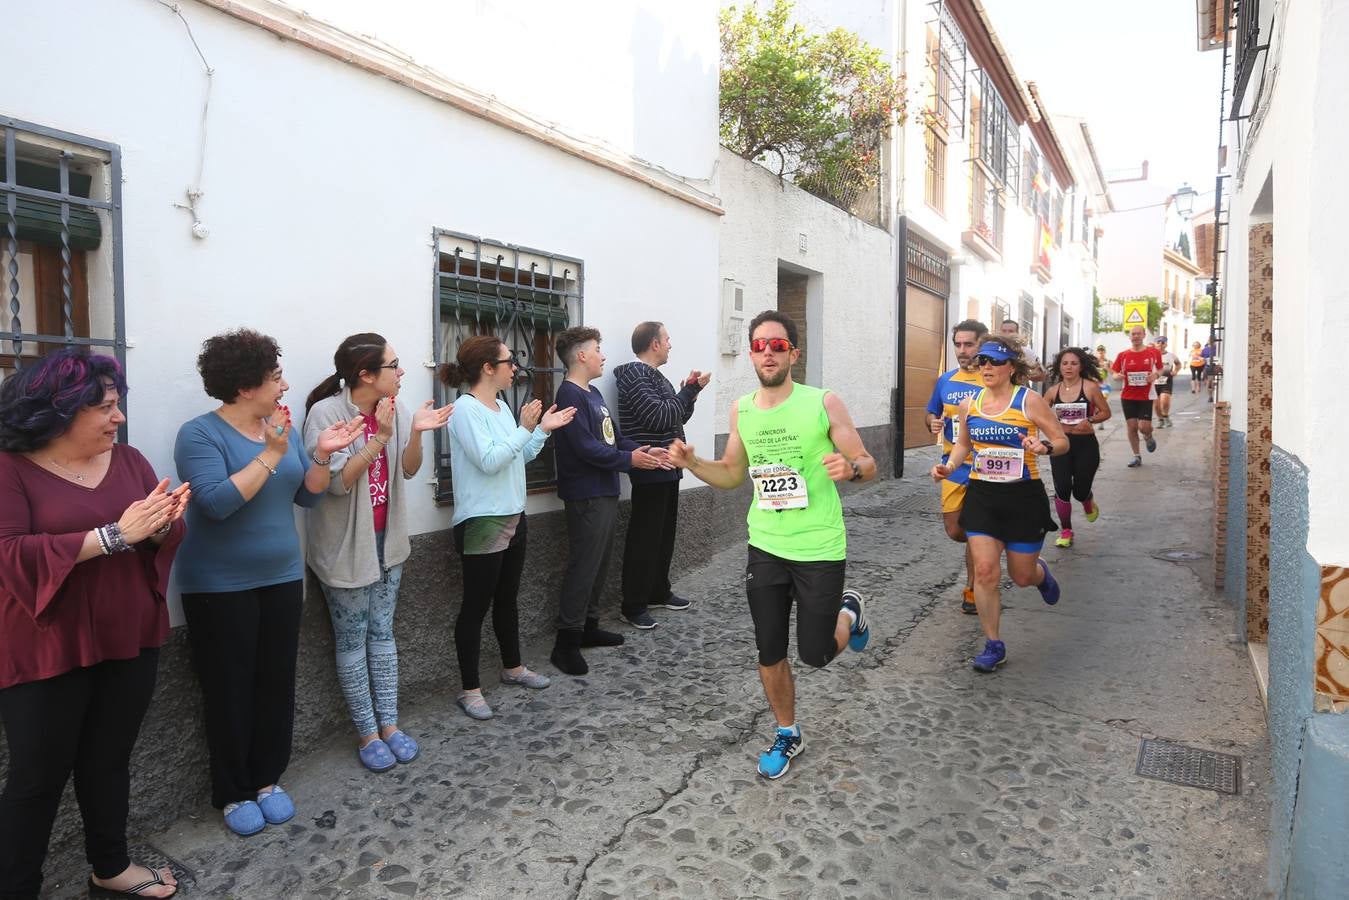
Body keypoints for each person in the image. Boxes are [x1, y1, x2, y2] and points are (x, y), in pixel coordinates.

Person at [0, 349, 189, 900]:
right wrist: (114, 535)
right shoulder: (11, 469)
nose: (119, 418)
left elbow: (153, 538)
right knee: (36, 781)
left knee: (109, 761)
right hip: (44, 645)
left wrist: (159, 526)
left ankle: (111, 866)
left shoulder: (129, 462)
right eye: (106, 407)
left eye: (117, 404)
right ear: (59, 411)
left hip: (126, 634)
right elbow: (9, 554)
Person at [668, 310, 875, 780]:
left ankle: (850, 612)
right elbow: (732, 474)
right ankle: (787, 732)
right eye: (759, 344)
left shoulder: (824, 402)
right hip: (765, 543)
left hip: (819, 545)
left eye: (777, 345)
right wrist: (692, 462)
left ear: (794, 354)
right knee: (769, 648)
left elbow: (866, 459)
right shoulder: (741, 409)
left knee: (816, 654)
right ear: (750, 352)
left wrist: (854, 468)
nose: (767, 352)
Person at [175, 328, 362, 837]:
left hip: (282, 576)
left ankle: (267, 780)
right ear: (243, 386)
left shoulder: (280, 430)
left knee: (275, 681)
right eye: (275, 376)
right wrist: (274, 454)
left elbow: (308, 497)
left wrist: (320, 453)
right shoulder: (200, 434)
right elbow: (214, 504)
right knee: (228, 689)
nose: (284, 385)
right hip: (219, 585)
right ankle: (233, 790)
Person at [303, 334, 453, 767]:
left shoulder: (397, 408)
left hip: (389, 543)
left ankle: (390, 723)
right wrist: (379, 437)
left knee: (383, 633)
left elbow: (408, 471)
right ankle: (368, 734)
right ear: (366, 375)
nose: (402, 372)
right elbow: (336, 483)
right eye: (394, 364)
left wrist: (415, 434)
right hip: (345, 548)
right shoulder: (326, 414)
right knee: (352, 638)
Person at [440, 336, 574, 719]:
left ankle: (513, 667)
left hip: (514, 516)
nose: (514, 367)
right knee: (475, 607)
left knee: (507, 599)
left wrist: (541, 430)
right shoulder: (465, 411)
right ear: (487, 367)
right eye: (507, 361)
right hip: (483, 521)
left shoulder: (500, 407)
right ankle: (470, 690)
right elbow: (488, 461)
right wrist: (524, 428)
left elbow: (519, 456)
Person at [931, 334, 1068, 673]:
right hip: (983, 496)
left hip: (1023, 497)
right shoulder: (970, 404)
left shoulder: (1029, 401)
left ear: (1011, 367)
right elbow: (963, 444)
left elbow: (1062, 440)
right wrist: (949, 466)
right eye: (982, 361)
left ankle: (1041, 576)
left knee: (1021, 576)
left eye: (993, 361)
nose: (986, 367)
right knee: (986, 571)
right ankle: (994, 644)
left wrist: (1044, 448)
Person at [549, 326, 668, 675]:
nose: (603, 355)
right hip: (586, 493)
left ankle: (587, 626)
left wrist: (640, 449)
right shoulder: (569, 394)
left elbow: (612, 437)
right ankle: (566, 642)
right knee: (584, 565)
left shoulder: (593, 392)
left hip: (604, 490)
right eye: (597, 349)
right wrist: (630, 462)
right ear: (581, 355)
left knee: (599, 564)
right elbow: (585, 447)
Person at [614, 321, 709, 629]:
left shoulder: (656, 377)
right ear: (654, 344)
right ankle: (633, 604)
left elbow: (677, 415)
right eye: (667, 339)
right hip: (651, 466)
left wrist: (689, 396)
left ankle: (658, 590)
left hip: (669, 467)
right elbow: (658, 417)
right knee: (644, 538)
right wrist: (689, 390)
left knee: (663, 536)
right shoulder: (635, 376)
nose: (671, 344)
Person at [925, 319, 988, 614]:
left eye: (969, 344)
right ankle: (991, 542)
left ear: (981, 344)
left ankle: (973, 588)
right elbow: (930, 414)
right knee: (955, 530)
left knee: (977, 529)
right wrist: (932, 423)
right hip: (953, 465)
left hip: (989, 468)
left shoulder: (994, 380)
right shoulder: (946, 380)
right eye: (958, 345)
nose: (962, 350)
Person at [1043, 348, 1111, 548]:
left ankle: (1087, 500)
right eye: (1065, 363)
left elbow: (1105, 412)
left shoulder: (1090, 388)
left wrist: (1090, 419)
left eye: (1074, 363)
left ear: (1081, 366)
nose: (1069, 367)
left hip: (1085, 445)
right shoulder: (1052, 392)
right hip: (1060, 445)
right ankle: (1066, 530)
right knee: (1062, 488)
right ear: (1059, 366)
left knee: (1079, 491)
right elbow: (1039, 412)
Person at [1110, 325, 1162, 468]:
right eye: (1133, 334)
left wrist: (1155, 375)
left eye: (1139, 333)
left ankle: (1148, 436)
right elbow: (1114, 373)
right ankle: (1136, 456)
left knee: (1144, 427)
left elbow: (1161, 368)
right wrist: (1117, 376)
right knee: (1132, 427)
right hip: (1128, 396)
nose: (1136, 336)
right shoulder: (1123, 355)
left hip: (1146, 395)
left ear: (1144, 335)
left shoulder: (1153, 353)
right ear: (1130, 336)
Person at [1152, 336, 1181, 427]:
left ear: (1166, 344)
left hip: (1166, 381)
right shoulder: (1151, 355)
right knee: (1156, 405)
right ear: (1155, 344)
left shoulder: (1171, 355)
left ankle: (1165, 416)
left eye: (1163, 342)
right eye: (1158, 342)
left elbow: (1178, 364)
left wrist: (1175, 371)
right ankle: (1160, 420)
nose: (1160, 344)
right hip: (1153, 383)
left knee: (1165, 401)